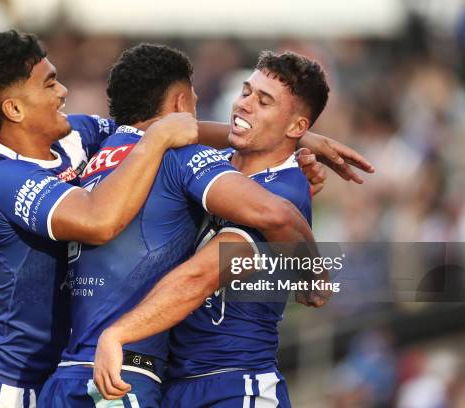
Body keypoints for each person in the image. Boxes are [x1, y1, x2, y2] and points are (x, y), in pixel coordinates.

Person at [37, 44, 328, 407]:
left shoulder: (283, 189)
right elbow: (179, 135)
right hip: (171, 384)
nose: (244, 104)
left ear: (296, 125)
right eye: (246, 92)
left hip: (234, 384)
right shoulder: (206, 167)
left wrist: (314, 271)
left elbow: (202, 276)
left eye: (264, 101)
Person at [0, 31, 199, 408]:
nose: (63, 92)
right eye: (50, 83)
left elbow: (146, 129)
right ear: (14, 110)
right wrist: (157, 139)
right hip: (0, 378)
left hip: (36, 367)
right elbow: (99, 220)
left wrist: (286, 148)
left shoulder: (71, 137)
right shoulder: (3, 177)